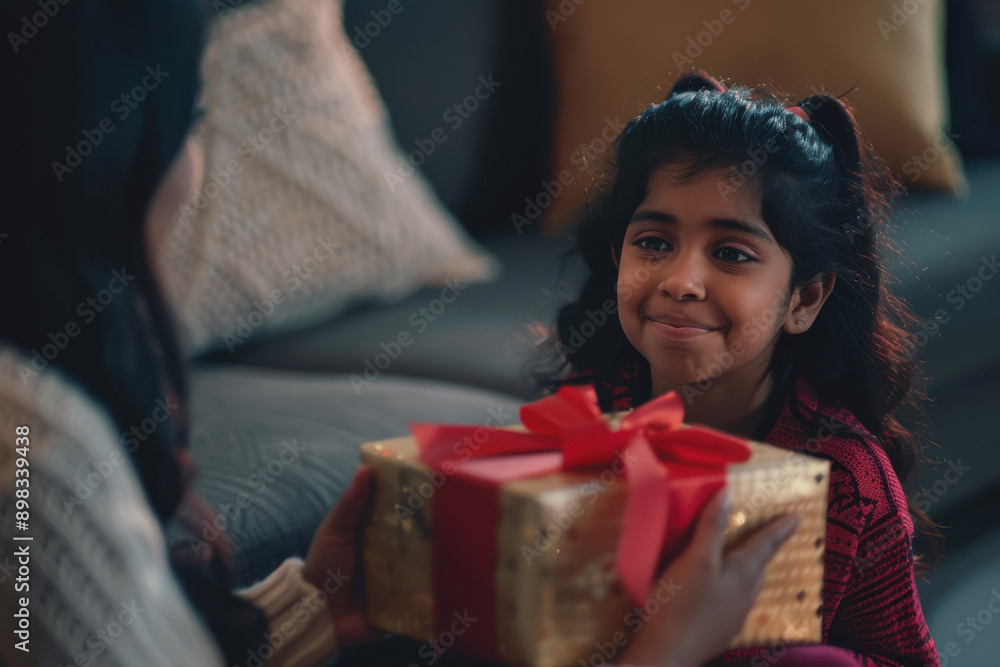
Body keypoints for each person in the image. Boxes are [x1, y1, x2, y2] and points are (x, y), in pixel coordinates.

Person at [0, 2, 806, 666]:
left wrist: (306, 603)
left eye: (732, 252)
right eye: (191, 124)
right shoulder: (46, 467)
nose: (682, 280)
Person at [543, 71, 942, 666]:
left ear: (802, 301)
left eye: (731, 253)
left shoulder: (845, 482)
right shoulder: (589, 418)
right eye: (653, 243)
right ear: (617, 256)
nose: (680, 282)